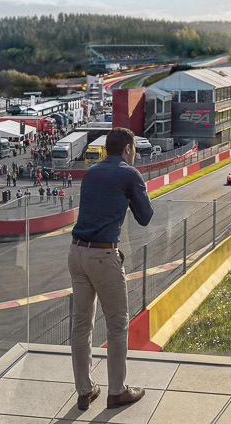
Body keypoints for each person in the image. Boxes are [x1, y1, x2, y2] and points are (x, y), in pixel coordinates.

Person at [68, 127, 153, 411]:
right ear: (128, 149)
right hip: (103, 256)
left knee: (82, 324)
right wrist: (132, 195)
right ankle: (116, 391)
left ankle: (84, 390)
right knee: (117, 325)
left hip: (76, 253)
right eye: (134, 151)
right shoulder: (130, 174)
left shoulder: (92, 172)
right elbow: (145, 217)